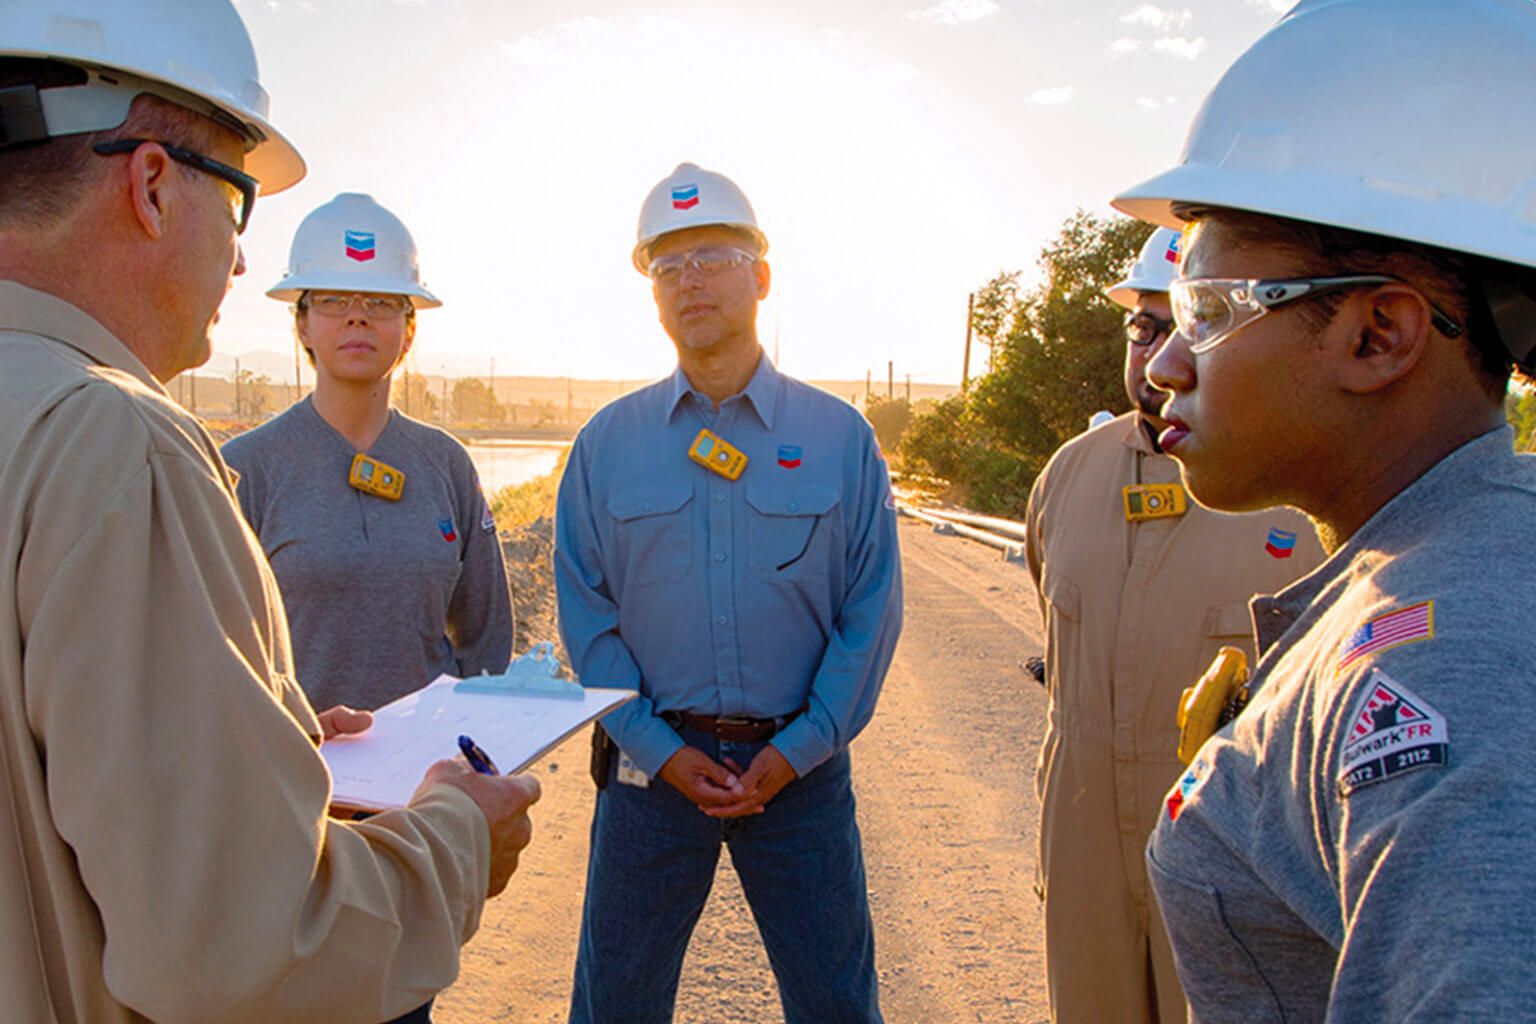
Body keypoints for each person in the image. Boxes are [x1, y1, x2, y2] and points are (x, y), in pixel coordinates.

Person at [0, 3, 539, 1021]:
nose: (239, 262)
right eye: (238, 201)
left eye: (379, 303)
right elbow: (240, 948)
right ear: (152, 184)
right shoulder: (123, 447)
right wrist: (458, 839)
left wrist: (271, 745)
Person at [1108, 0, 1536, 1018]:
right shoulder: (1426, 571)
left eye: (1209, 314)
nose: (1163, 364)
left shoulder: (1441, 664)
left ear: (1380, 335)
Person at [555, 162, 902, 1024]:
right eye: (667, 265)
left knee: (835, 1004)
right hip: (650, 772)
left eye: (712, 255)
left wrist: (801, 749)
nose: (690, 280)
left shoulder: (838, 440)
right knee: (616, 1006)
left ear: (763, 275)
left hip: (800, 776)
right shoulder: (606, 446)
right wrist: (656, 746)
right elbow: (587, 617)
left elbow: (870, 612)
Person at [1024, 226, 1325, 1024]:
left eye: (1192, 327)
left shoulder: (1301, 493)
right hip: (1083, 835)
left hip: (1240, 853)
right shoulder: (1067, 477)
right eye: (1143, 329)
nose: (1157, 359)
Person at [223, 192, 513, 715]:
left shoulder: (445, 463)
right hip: (303, 778)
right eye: (334, 300)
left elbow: (485, 636)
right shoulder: (247, 469)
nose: (358, 319)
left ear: (408, 331)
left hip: (432, 775)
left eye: (380, 303)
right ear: (302, 325)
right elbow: (216, 650)